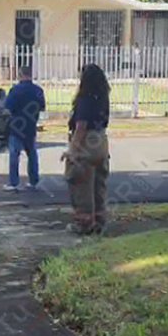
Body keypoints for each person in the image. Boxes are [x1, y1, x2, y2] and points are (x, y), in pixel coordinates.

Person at [63, 64, 111, 236]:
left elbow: (81, 126)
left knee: (81, 184)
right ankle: (99, 221)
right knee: (99, 184)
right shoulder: (103, 98)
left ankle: (83, 224)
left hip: (86, 144)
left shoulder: (85, 99)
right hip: (101, 142)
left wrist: (72, 151)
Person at [3, 65, 45, 192]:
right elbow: (42, 107)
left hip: (17, 126)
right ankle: (33, 181)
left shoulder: (15, 90)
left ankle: (14, 183)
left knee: (14, 155)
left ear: (20, 75)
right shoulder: (38, 90)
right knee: (32, 154)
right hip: (31, 126)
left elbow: (7, 109)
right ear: (30, 75)